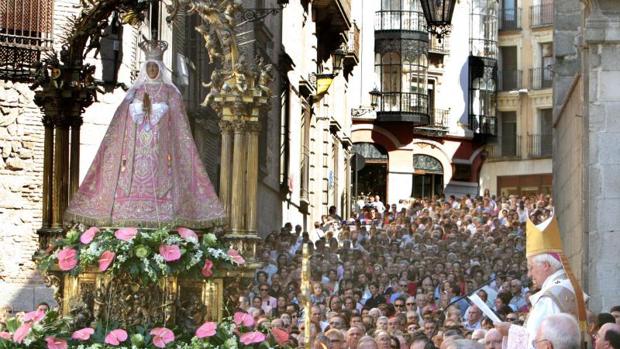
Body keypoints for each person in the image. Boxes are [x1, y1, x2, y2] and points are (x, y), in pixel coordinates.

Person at [64, 39, 224, 228]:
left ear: (160, 68)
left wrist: (159, 112)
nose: (152, 71)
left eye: (155, 67)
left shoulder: (170, 92)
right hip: (135, 154)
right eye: (149, 67)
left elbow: (179, 125)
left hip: (161, 155)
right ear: (145, 68)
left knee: (161, 179)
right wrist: (135, 109)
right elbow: (121, 118)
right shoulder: (136, 91)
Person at [496, 217, 587, 348]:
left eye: (531, 267)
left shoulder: (549, 298)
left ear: (545, 265)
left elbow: (537, 343)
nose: (529, 274)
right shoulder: (568, 287)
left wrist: (510, 331)